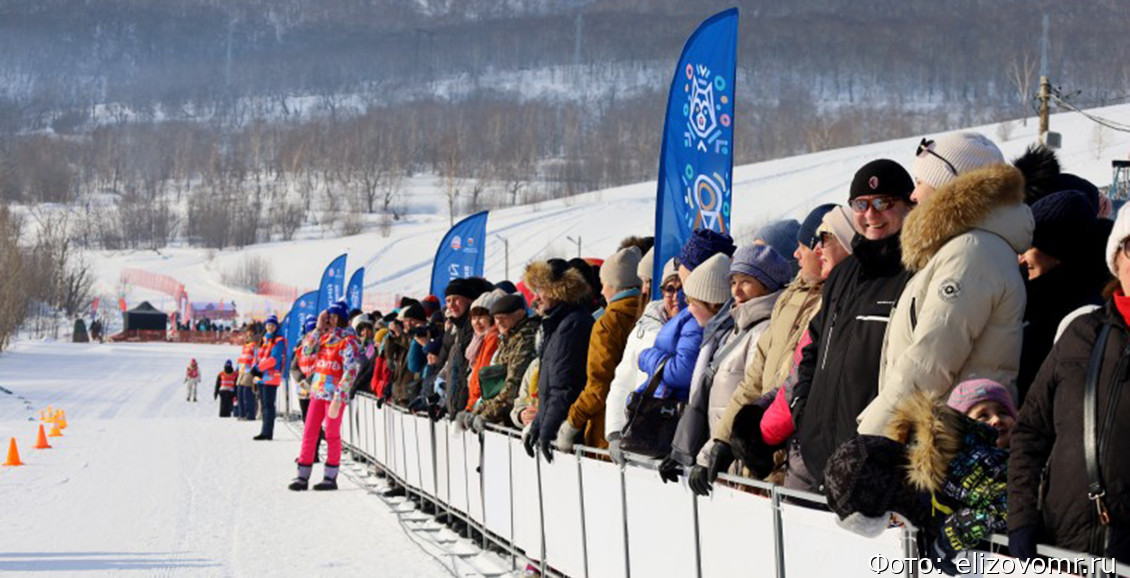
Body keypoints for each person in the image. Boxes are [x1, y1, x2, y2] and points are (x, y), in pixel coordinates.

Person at [864, 134, 1033, 437]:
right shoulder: (962, 248)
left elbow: (929, 362)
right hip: (942, 434)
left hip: (951, 446)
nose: (913, 195)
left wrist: (872, 437)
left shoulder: (972, 252)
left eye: (920, 182)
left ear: (950, 187)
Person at [1009, 208, 1130, 564]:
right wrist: (1022, 517)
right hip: (1062, 548)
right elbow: (1031, 430)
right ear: (1116, 258)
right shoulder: (1080, 332)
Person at [789, 159, 916, 492]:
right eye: (861, 204)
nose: (871, 213)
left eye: (883, 203)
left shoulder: (916, 273)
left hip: (875, 469)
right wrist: (802, 410)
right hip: (820, 459)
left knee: (875, 549)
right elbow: (813, 349)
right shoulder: (843, 274)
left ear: (908, 205)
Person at [824, 392, 1010, 575]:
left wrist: (951, 537)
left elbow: (1012, 504)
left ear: (898, 497)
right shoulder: (929, 483)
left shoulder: (957, 469)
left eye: (892, 520)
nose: (899, 525)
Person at [711, 204, 834, 467]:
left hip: (791, 445)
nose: (797, 253)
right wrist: (722, 440)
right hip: (758, 437)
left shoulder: (830, 302)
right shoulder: (790, 297)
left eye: (803, 245)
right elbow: (754, 378)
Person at [676, 246, 791, 495]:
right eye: (733, 282)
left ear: (767, 285)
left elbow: (748, 393)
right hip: (725, 458)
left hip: (737, 457)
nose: (736, 291)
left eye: (746, 282)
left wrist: (712, 452)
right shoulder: (738, 327)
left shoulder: (762, 330)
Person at [1016, 189, 1110, 401]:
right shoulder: (1033, 299)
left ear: (1059, 253)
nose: (1021, 258)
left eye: (1030, 246)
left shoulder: (1086, 317)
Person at [556, 246, 643, 452]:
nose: (602, 291)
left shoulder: (607, 324)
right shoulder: (649, 315)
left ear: (616, 286)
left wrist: (572, 422)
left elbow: (598, 385)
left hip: (607, 430)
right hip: (641, 427)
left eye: (605, 284)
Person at [605, 258, 680, 464]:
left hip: (675, 444)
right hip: (639, 439)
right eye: (670, 289)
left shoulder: (697, 328)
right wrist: (614, 432)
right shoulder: (644, 328)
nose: (676, 297)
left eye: (682, 289)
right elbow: (622, 381)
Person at [521, 259, 594, 462]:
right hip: (558, 429)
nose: (536, 297)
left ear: (557, 289)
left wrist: (547, 430)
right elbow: (549, 388)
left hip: (568, 437)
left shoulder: (572, 325)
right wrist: (537, 425)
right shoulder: (557, 324)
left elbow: (564, 387)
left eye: (541, 289)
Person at [290, 301, 360, 492]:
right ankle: (302, 475)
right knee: (309, 432)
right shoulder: (323, 338)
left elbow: (350, 370)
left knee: (331, 434)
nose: (330, 320)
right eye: (329, 317)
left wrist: (339, 396)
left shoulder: (349, 341)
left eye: (334, 317)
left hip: (334, 396)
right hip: (317, 392)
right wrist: (318, 329)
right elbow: (306, 354)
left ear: (342, 319)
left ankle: (330, 476)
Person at [473, 293, 539, 432]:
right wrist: (475, 413)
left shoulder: (526, 338)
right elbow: (495, 386)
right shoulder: (507, 337)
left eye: (503, 318)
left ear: (520, 314)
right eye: (496, 319)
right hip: (503, 416)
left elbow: (512, 385)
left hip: (515, 418)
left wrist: (485, 415)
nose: (499, 323)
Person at [439, 278, 494, 420]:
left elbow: (469, 371)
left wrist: (467, 406)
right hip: (460, 405)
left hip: (469, 406)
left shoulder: (474, 330)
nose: (451, 305)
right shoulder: (457, 328)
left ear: (469, 300)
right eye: (448, 300)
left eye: (456, 299)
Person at [455, 289, 504, 431]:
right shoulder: (481, 339)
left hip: (482, 407)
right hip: (475, 405)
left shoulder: (492, 337)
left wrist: (473, 406)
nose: (477, 322)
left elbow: (483, 377)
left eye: (481, 316)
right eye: (473, 317)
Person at [946, 378, 1017, 450]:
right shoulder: (958, 460)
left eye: (1002, 412)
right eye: (983, 415)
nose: (996, 419)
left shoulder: (1025, 455)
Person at [290, 316, 323, 462]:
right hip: (303, 390)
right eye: (309, 332)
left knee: (314, 424)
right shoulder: (301, 345)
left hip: (316, 389)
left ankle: (313, 454)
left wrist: (309, 381)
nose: (311, 335)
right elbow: (294, 366)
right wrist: (300, 379)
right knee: (306, 423)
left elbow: (323, 365)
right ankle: (308, 453)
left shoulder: (322, 345)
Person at [251, 314, 287, 441]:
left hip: (271, 377)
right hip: (262, 377)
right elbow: (258, 356)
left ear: (276, 327)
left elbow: (274, 359)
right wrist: (254, 368)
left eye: (272, 325)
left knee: (268, 405)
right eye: (268, 325)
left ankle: (267, 432)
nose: (270, 327)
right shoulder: (263, 340)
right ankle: (264, 431)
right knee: (264, 404)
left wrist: (258, 368)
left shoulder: (279, 341)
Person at [235, 328, 259, 420]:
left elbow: (256, 356)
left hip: (249, 370)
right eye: (248, 332)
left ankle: (250, 414)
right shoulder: (246, 344)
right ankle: (242, 413)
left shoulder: (255, 344)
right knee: (240, 390)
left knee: (247, 392)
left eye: (251, 332)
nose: (249, 334)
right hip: (242, 369)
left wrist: (253, 369)